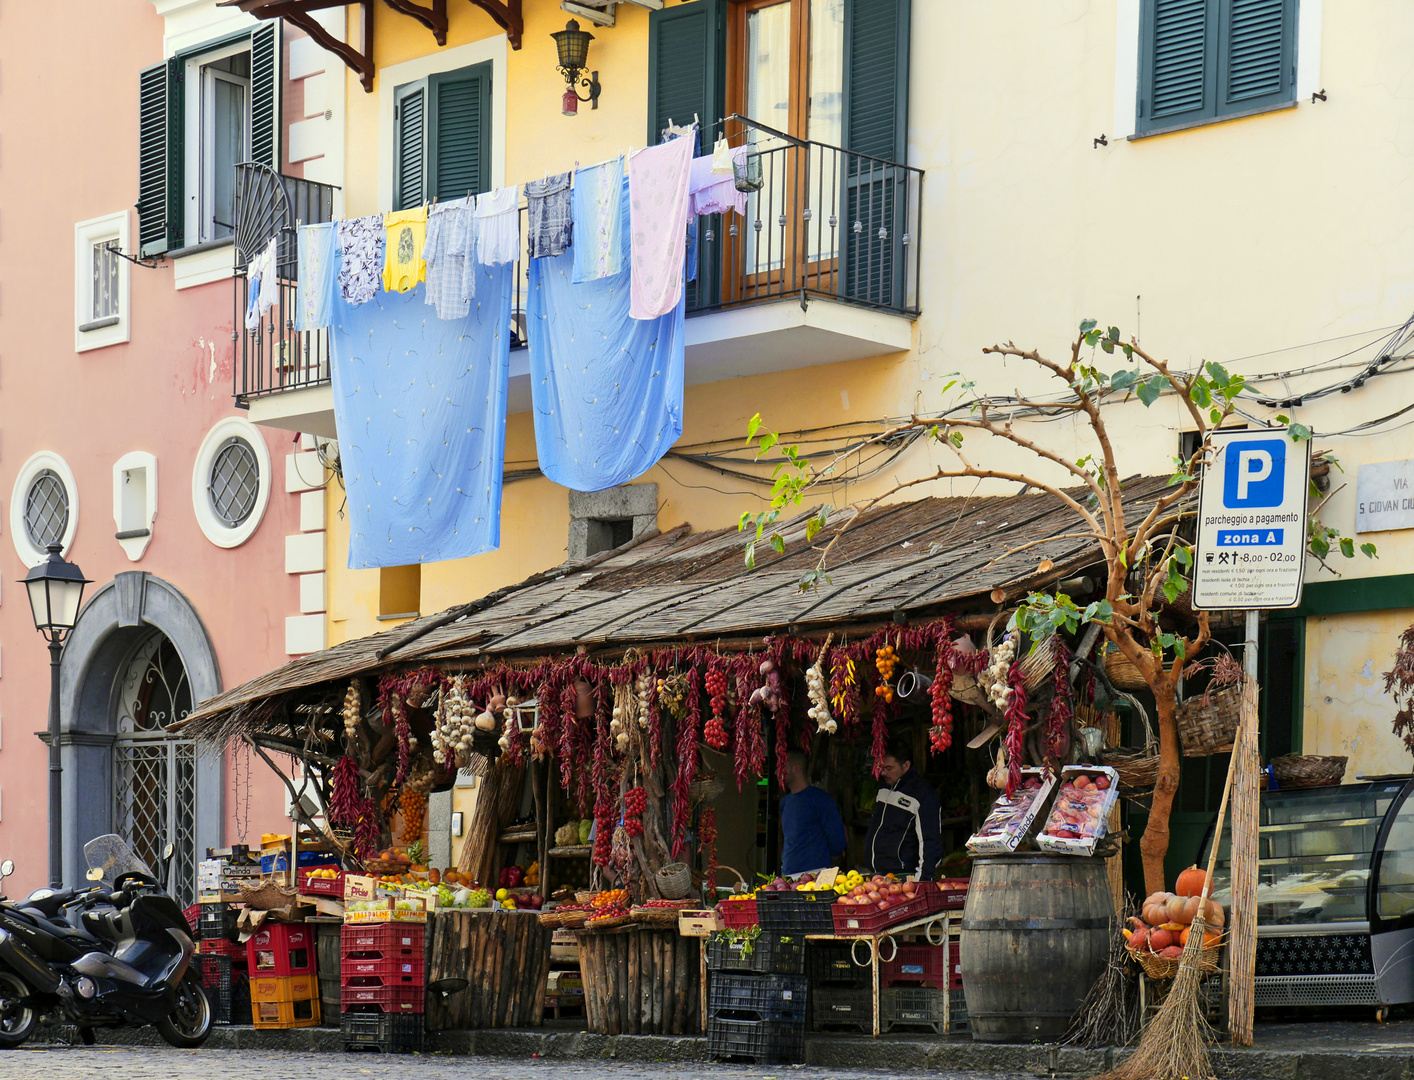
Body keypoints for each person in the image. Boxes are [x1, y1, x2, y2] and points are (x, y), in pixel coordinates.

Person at [864, 739, 943, 879]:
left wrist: (922, 883)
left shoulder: (923, 795)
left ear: (906, 766)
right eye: (881, 767)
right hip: (877, 877)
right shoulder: (884, 788)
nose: (883, 773)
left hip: (903, 878)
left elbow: (930, 844)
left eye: (889, 768)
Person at [779, 751, 847, 875]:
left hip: (815, 875)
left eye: (783, 768)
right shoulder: (785, 802)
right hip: (787, 875)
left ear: (796, 769)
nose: (777, 773)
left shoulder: (820, 800)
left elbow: (837, 838)